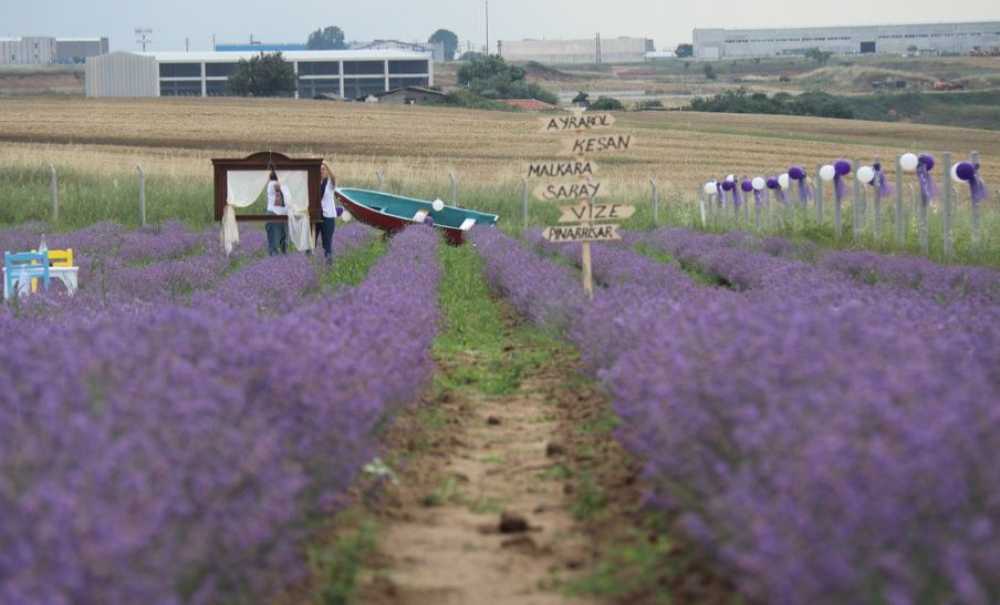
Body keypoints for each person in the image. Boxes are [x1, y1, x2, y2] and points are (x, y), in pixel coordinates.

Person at [316, 163, 338, 264]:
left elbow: (334, 176)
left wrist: (326, 164)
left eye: (323, 169)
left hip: (328, 217)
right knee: (311, 243)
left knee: (327, 244)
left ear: (327, 171)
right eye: (320, 169)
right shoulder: (314, 183)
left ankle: (328, 265)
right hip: (316, 217)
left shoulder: (330, 183)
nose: (321, 171)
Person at [266, 171, 289, 256]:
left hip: (284, 215)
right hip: (274, 215)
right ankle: (274, 263)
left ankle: (283, 264)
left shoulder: (284, 184)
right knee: (274, 243)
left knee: (285, 242)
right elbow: (278, 187)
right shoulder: (272, 183)